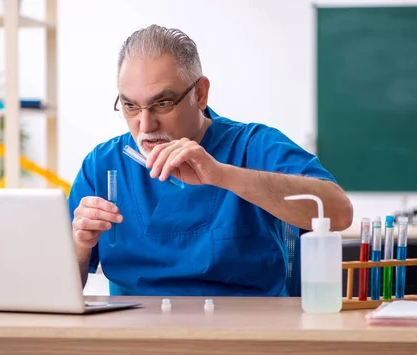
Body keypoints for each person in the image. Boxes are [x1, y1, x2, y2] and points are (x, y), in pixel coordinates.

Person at [67, 25, 353, 296]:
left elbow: (339, 213)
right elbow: (59, 290)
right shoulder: (102, 166)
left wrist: (223, 175)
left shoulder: (252, 146)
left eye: (162, 103)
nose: (145, 125)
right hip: (138, 338)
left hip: (245, 334)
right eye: (130, 106)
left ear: (200, 93)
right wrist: (80, 245)